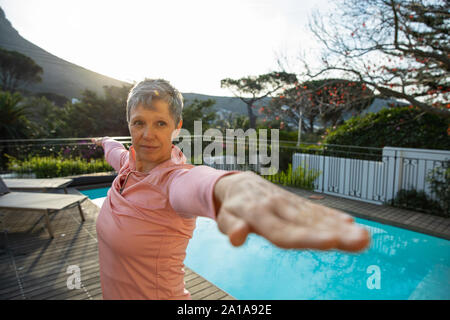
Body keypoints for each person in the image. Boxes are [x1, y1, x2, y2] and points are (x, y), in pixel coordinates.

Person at [92, 79, 370, 300]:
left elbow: (198, 183)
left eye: (160, 123)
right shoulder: (128, 165)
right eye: (138, 122)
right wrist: (103, 140)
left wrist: (232, 186)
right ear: (128, 123)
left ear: (176, 128)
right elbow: (114, 150)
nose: (147, 134)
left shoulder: (173, 182)